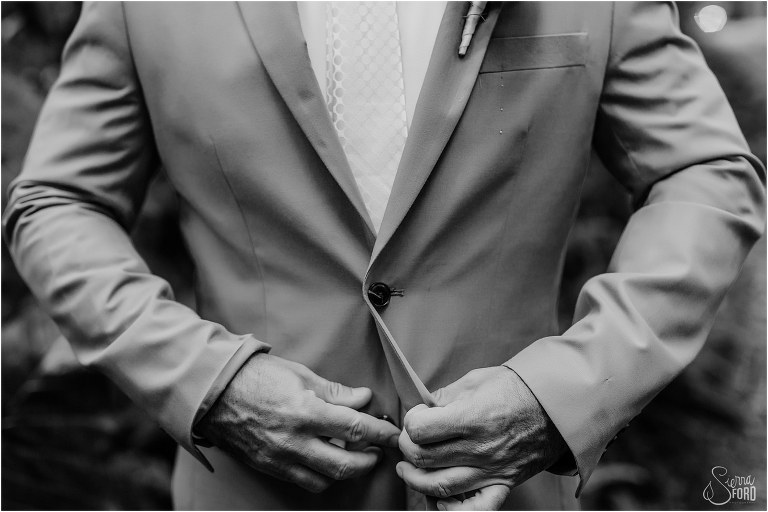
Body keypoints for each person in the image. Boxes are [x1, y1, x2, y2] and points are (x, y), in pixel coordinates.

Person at [3, 1, 764, 510]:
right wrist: (206, 380)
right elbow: (58, 202)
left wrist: (563, 393)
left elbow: (704, 174)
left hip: (507, 493)